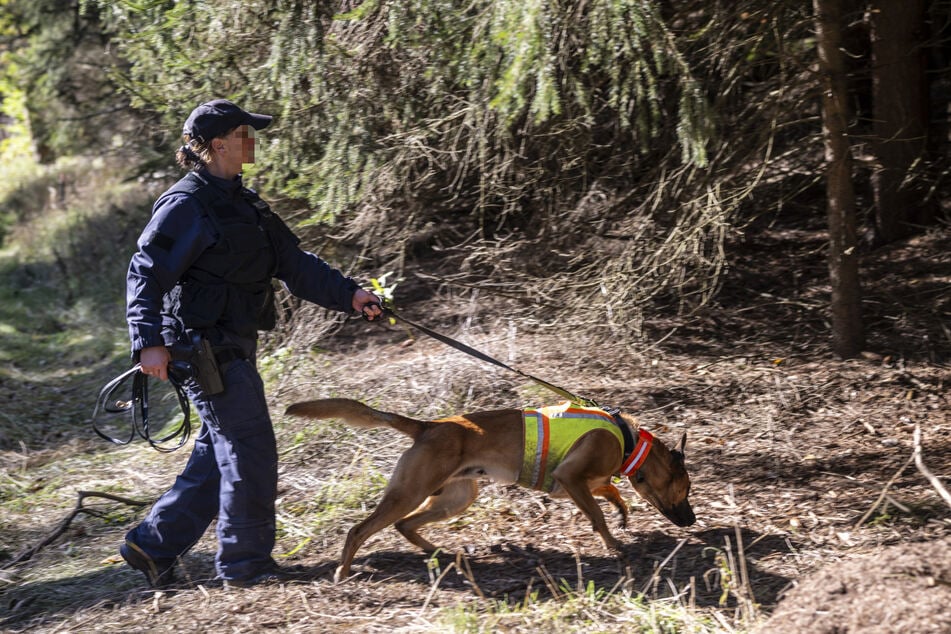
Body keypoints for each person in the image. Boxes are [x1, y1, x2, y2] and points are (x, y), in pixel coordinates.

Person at [120, 99, 382, 588]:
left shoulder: (247, 203)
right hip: (200, 349)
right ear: (218, 144)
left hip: (235, 345)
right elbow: (145, 272)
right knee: (250, 448)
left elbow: (295, 264)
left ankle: (150, 546)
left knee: (221, 453)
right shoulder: (185, 205)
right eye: (245, 133)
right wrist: (148, 342)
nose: (252, 141)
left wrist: (351, 294)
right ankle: (246, 567)